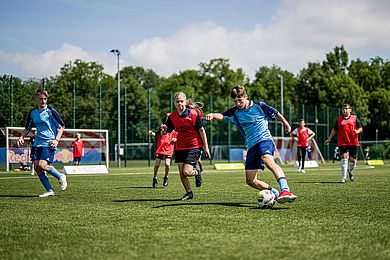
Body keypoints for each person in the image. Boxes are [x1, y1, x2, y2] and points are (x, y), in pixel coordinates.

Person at [205, 85, 297, 204]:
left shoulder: (260, 106)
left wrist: (286, 123)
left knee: (268, 160)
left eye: (240, 100)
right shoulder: (235, 111)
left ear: (246, 97)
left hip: (264, 140)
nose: (238, 103)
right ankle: (275, 193)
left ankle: (286, 190)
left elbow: (276, 113)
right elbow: (223, 115)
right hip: (251, 146)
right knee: (250, 180)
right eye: (235, 101)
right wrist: (212, 115)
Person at [17, 88, 67, 197]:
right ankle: (50, 190)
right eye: (41, 99)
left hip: (49, 142)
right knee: (37, 167)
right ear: (36, 99)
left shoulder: (51, 111)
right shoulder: (33, 112)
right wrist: (21, 137)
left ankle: (60, 176)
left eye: (45, 99)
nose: (43, 101)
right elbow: (28, 127)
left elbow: (62, 126)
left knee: (42, 165)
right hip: (37, 143)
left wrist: (56, 140)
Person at [161, 92, 211, 201]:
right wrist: (164, 130)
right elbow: (166, 132)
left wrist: (206, 147)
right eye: (177, 101)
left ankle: (197, 172)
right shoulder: (172, 116)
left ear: (185, 101)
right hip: (180, 147)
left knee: (187, 172)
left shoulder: (193, 114)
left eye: (181, 101)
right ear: (174, 103)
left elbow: (202, 130)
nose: (180, 103)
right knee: (182, 173)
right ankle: (189, 193)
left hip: (194, 146)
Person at [325, 103, 363, 183]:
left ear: (350, 110)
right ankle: (343, 178)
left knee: (352, 160)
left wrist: (356, 131)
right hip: (343, 142)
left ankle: (350, 171)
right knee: (344, 158)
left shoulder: (355, 118)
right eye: (343, 108)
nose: (344, 110)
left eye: (346, 108)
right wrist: (329, 139)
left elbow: (360, 128)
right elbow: (334, 130)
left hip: (353, 142)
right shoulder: (339, 120)